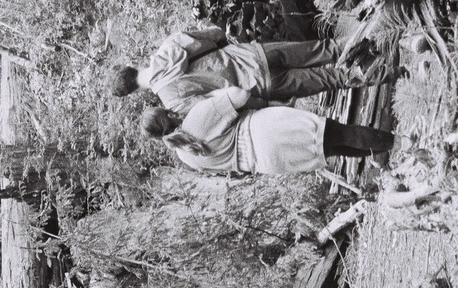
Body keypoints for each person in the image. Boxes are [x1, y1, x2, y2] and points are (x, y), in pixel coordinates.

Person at [113, 26, 382, 115]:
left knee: (330, 79)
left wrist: (261, 103)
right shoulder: (168, 48)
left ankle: (383, 72)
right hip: (254, 54)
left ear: (134, 93)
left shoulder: (172, 102)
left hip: (260, 85)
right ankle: (378, 38)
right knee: (324, 49)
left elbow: (218, 103)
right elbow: (215, 33)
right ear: (131, 66)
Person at [141, 88, 394, 177]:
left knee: (333, 148)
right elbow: (239, 96)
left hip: (266, 162)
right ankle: (398, 143)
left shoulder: (185, 157)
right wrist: (217, 94)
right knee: (341, 133)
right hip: (263, 130)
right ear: (169, 114)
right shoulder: (195, 117)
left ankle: (392, 146)